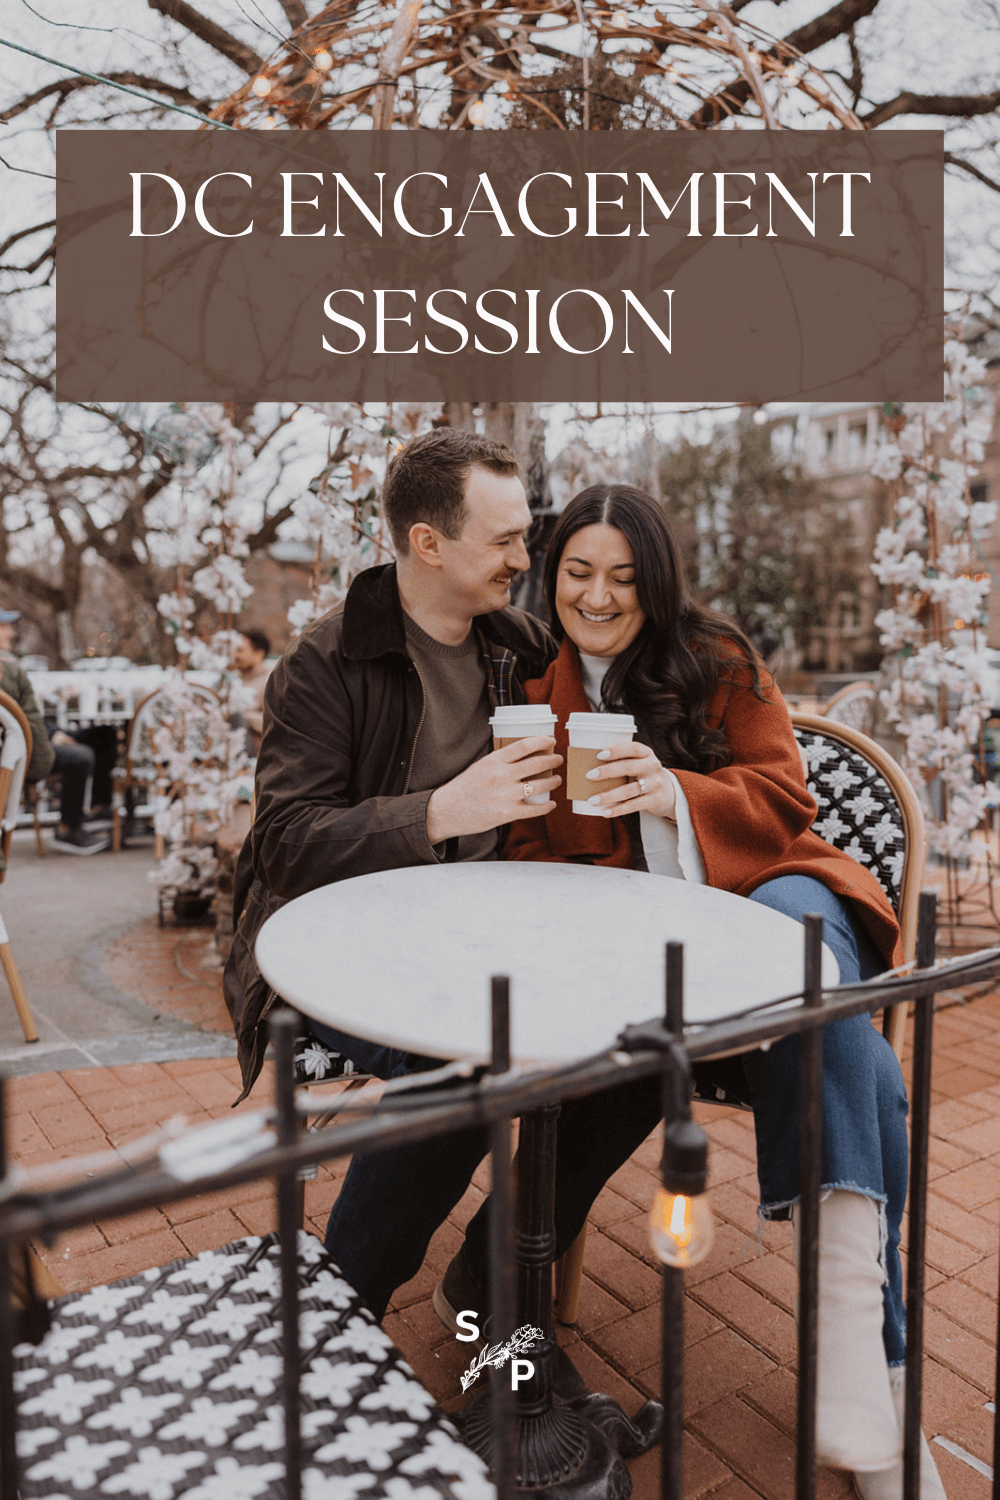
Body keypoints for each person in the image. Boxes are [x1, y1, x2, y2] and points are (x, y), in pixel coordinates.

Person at [494, 484, 942, 1500]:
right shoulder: (533, 689)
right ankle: (876, 1371)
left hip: (776, 897)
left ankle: (854, 1359)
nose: (597, 596)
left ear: (655, 581)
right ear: (550, 576)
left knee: (799, 970)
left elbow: (786, 796)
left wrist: (674, 795)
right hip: (651, 956)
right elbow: (527, 848)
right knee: (850, 1052)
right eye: (576, 573)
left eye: (622, 576)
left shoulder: (717, 660)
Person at [223, 428, 562, 1324]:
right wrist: (440, 812)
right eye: (504, 540)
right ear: (427, 543)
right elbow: (284, 845)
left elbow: (637, 664)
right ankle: (338, 1317)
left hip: (491, 937)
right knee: (461, 1063)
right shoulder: (326, 662)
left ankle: (492, 1278)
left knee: (620, 1041)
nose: (523, 559)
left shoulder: (520, 646)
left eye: (524, 538)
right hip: (335, 944)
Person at [229, 628, 273, 755]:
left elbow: (273, 722)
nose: (235, 655)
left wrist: (241, 715)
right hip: (225, 745)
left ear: (259, 654)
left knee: (237, 716)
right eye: (234, 650)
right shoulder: (232, 679)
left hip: (253, 750)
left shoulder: (270, 681)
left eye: (240, 650)